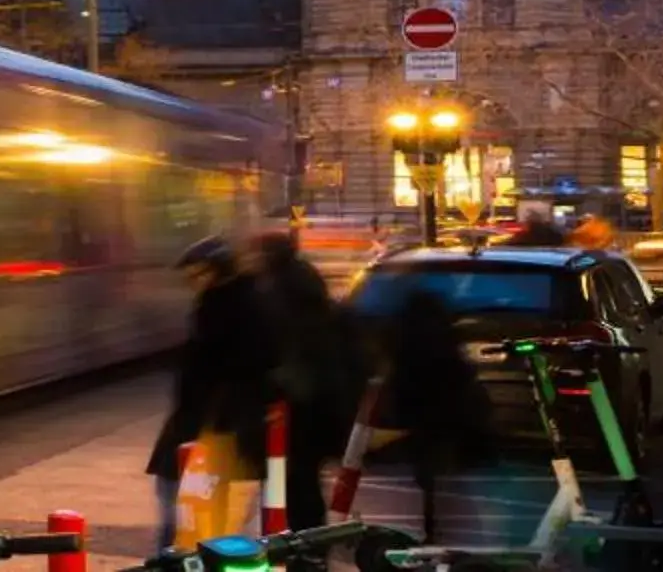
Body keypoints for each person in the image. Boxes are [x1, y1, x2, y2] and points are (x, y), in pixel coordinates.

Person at [149, 236, 279, 550]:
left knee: (180, 497)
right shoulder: (239, 301)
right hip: (220, 421)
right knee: (207, 503)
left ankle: (178, 559)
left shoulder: (223, 308)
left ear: (218, 272)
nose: (193, 283)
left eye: (198, 274)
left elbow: (212, 369)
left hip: (215, 423)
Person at [255, 230, 362, 529]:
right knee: (302, 483)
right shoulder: (309, 288)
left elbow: (274, 354)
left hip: (288, 413)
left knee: (282, 484)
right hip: (316, 411)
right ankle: (306, 546)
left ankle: (285, 542)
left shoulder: (276, 295)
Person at [382, 287, 494, 542]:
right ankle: (443, 532)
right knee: (446, 480)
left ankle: (432, 530)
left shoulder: (403, 342)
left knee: (429, 478)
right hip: (445, 418)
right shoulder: (446, 342)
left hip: (422, 420)